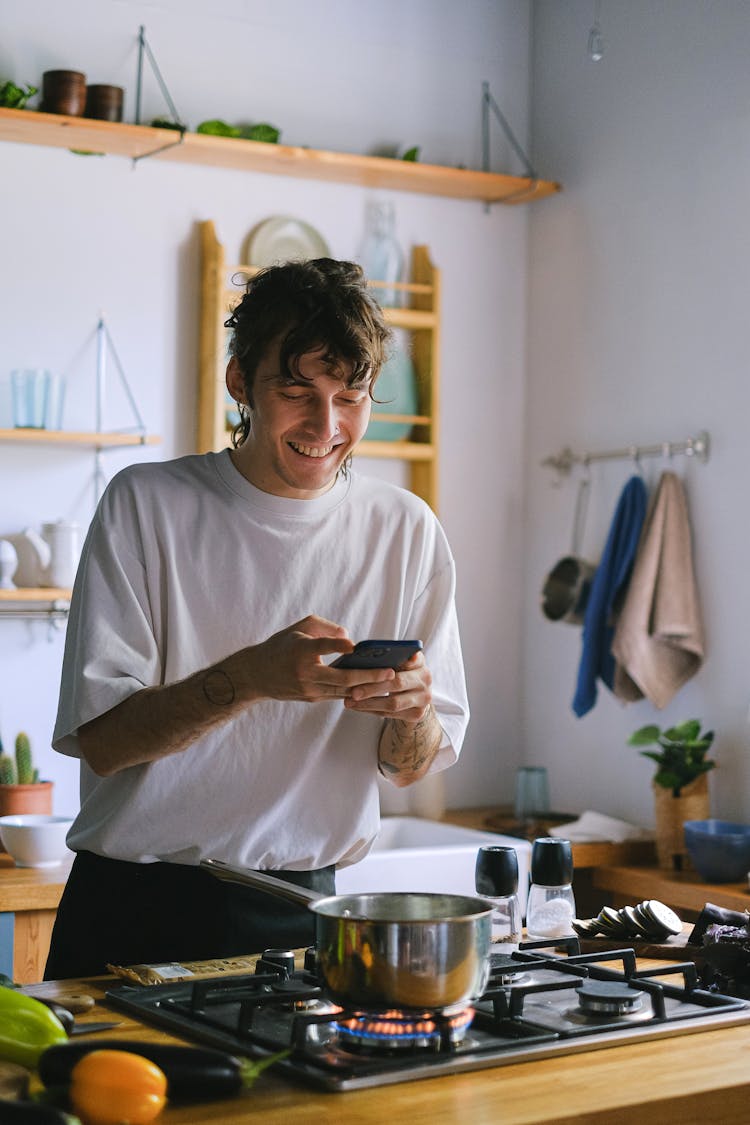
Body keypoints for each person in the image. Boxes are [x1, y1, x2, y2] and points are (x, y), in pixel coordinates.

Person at [44, 256, 469, 980]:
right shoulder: (146, 505)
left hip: (306, 915)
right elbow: (104, 742)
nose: (327, 425)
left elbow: (411, 764)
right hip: (134, 909)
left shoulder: (406, 529)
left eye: (350, 395)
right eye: (296, 390)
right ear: (242, 381)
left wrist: (411, 711)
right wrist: (249, 678)